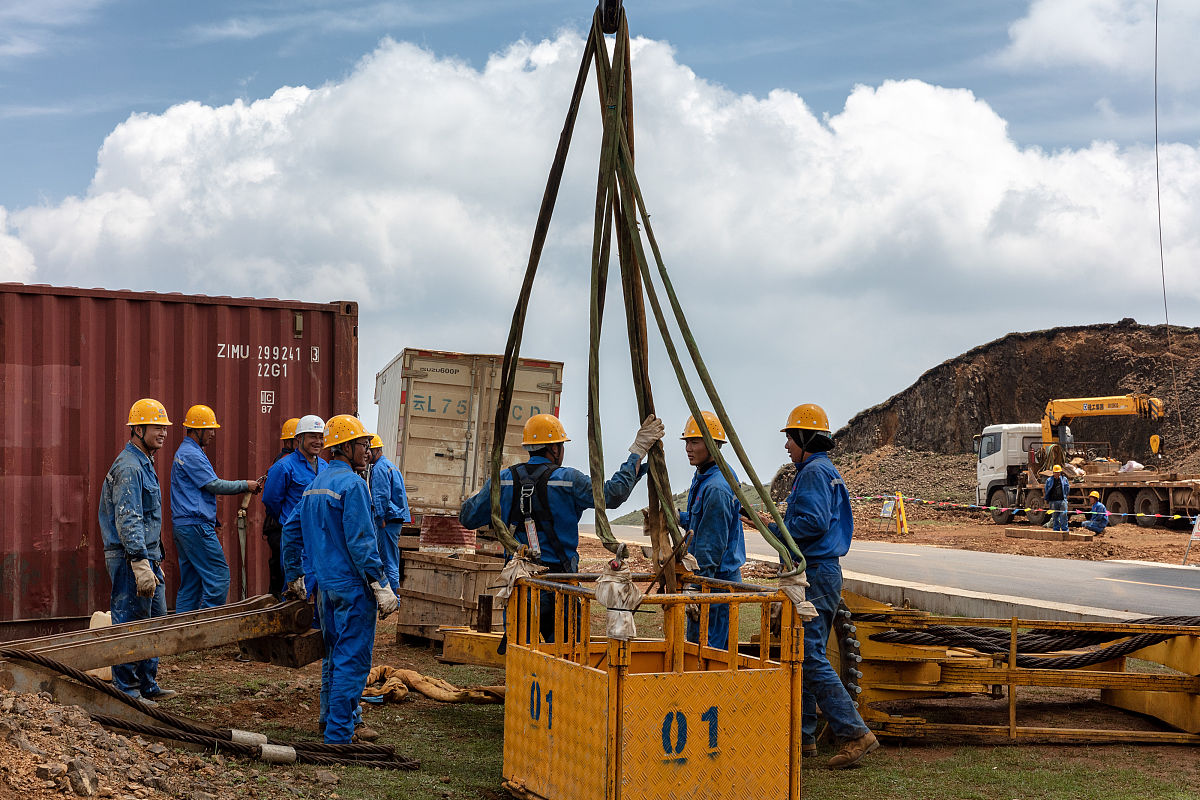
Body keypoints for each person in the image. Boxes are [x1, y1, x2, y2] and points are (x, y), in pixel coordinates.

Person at [458, 413, 664, 642]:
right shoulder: (568, 480)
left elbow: (468, 518)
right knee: (566, 657)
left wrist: (485, 494)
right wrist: (638, 451)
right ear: (555, 449)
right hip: (561, 585)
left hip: (521, 585)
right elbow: (612, 494)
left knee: (521, 656)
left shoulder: (504, 480)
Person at [761, 403, 877, 769]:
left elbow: (810, 523)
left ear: (804, 438)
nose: (786, 447)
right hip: (822, 572)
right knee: (806, 650)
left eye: (790, 439)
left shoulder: (813, 472)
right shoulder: (824, 471)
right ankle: (804, 737)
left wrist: (776, 529)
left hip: (815, 573)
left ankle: (855, 732)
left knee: (809, 655)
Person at [281, 414, 398, 745]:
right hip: (352, 589)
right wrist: (380, 585)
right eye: (362, 444)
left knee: (334, 655)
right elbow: (362, 543)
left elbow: (290, 532)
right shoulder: (353, 485)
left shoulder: (314, 486)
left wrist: (295, 576)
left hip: (325, 589)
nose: (367, 450)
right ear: (345, 447)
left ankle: (329, 720)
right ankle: (338, 734)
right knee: (352, 659)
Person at [98, 398, 176, 702]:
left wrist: (155, 558)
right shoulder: (130, 467)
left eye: (165, 428)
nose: (164, 433)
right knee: (131, 623)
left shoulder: (144, 461)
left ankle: (147, 684)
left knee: (154, 621)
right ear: (138, 428)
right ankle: (127, 691)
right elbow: (129, 518)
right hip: (131, 558)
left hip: (146, 557)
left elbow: (149, 517)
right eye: (157, 427)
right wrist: (140, 561)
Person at [170, 404, 262, 613]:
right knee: (219, 577)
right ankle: (206, 628)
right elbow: (213, 485)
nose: (213, 434)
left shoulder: (189, 452)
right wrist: (245, 485)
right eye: (209, 429)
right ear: (196, 430)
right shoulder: (191, 454)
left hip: (186, 526)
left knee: (191, 584)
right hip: (196, 526)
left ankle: (183, 635)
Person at [678, 411, 745, 650]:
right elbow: (701, 523)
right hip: (710, 579)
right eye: (687, 441)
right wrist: (675, 517)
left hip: (715, 582)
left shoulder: (716, 486)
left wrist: (695, 587)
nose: (688, 447)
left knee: (708, 654)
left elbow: (711, 545)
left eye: (694, 441)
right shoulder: (705, 475)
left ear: (712, 444)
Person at [264, 414, 327, 598]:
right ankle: (291, 625)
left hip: (319, 537)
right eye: (313, 437)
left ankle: (316, 626)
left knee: (318, 588)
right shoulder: (284, 467)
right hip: (296, 539)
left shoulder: (324, 466)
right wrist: (288, 519)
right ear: (299, 439)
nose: (318, 441)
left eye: (321, 437)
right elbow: (271, 501)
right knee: (297, 588)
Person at [367, 434, 411, 593]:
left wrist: (380, 518)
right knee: (392, 558)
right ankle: (395, 595)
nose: (366, 454)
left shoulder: (378, 468)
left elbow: (380, 497)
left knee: (387, 561)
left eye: (368, 450)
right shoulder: (389, 465)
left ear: (376, 450)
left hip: (388, 519)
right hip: (396, 518)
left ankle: (394, 597)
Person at [261, 417, 300, 597]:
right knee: (282, 570)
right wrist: (282, 517)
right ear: (292, 441)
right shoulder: (285, 462)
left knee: (279, 567)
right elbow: (271, 499)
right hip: (281, 526)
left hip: (279, 525)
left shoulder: (286, 460)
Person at [1044, 464, 1070, 533]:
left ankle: (1065, 531)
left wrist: (1064, 497)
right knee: (1055, 517)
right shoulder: (1049, 480)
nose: (1057, 474)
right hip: (1053, 501)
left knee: (1064, 516)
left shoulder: (1064, 479)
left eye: (1058, 472)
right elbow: (1046, 490)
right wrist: (1047, 499)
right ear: (1053, 473)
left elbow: (1067, 489)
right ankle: (1056, 530)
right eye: (1056, 472)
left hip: (1062, 501)